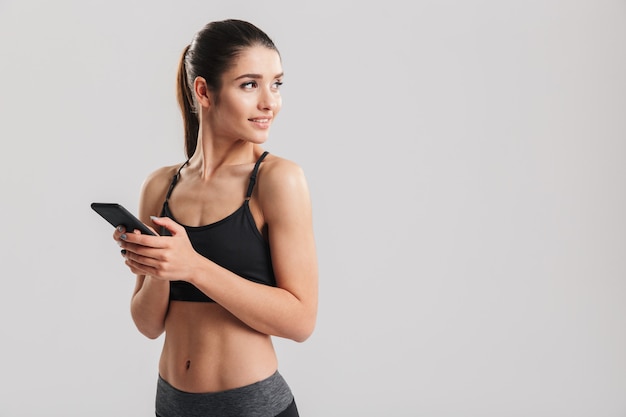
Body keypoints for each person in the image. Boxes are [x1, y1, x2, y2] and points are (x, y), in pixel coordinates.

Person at [113, 19, 318, 417]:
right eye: (249, 84)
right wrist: (159, 269)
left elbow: (301, 320)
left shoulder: (277, 180)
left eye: (276, 83)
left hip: (252, 407)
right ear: (204, 91)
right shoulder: (160, 186)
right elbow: (148, 324)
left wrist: (193, 267)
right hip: (171, 404)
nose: (269, 102)